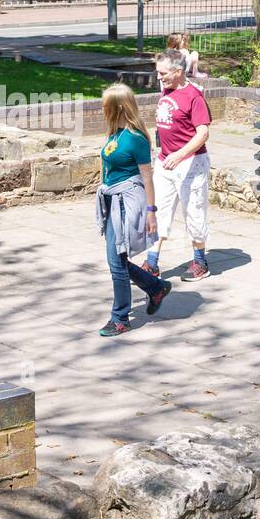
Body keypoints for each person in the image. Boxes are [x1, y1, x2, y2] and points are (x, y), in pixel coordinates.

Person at [94, 83, 173, 337]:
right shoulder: (114, 133)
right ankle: (155, 287)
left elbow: (147, 178)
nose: (102, 110)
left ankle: (120, 318)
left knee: (116, 261)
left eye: (105, 106)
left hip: (127, 204)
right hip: (111, 200)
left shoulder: (136, 139)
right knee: (117, 260)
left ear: (118, 107)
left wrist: (151, 211)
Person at [144, 49, 212, 282]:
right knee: (158, 209)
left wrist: (180, 154)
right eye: (158, 73)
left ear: (178, 71)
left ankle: (200, 261)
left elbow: (202, 133)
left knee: (194, 211)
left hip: (190, 163)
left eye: (163, 73)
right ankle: (152, 263)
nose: (159, 77)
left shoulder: (194, 97)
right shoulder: (167, 89)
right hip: (165, 161)